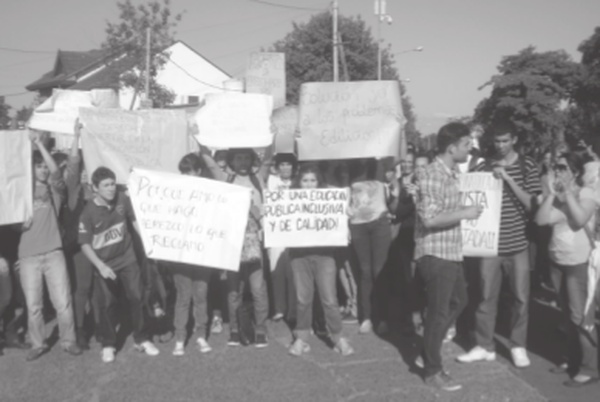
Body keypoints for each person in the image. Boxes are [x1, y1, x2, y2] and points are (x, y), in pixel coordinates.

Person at [457, 123, 541, 368]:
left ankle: (518, 345)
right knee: (485, 297)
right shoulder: (484, 166)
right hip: (489, 245)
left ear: (513, 139)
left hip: (518, 244)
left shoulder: (528, 165)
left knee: (521, 298)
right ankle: (485, 345)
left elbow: (532, 204)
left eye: (505, 140)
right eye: (497, 141)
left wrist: (508, 179)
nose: (501, 145)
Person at [415, 122, 483, 391]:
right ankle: (433, 369)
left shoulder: (451, 173)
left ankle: (427, 351)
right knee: (439, 312)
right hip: (436, 253)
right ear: (451, 147)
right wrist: (464, 213)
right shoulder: (432, 174)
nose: (471, 147)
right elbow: (429, 219)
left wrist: (463, 210)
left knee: (459, 302)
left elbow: (445, 209)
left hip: (451, 252)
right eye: (467, 143)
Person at [79, 167, 159, 363]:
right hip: (105, 265)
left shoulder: (123, 199)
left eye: (113, 183)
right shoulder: (87, 212)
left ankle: (142, 339)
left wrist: (148, 242)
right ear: (95, 188)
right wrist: (100, 266)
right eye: (106, 185)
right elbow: (84, 244)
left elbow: (134, 221)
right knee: (107, 305)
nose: (111, 188)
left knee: (137, 297)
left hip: (127, 258)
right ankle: (108, 344)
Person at [535, 152, 599, 387]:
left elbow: (581, 219)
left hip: (578, 263)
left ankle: (590, 367)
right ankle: (571, 359)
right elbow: (541, 220)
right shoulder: (558, 196)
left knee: (581, 316)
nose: (558, 172)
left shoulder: (587, 194)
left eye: (562, 168)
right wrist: (551, 194)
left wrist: (569, 194)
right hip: (557, 261)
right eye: (556, 168)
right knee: (566, 316)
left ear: (576, 172)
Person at [18, 131, 81, 361]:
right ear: (30, 169)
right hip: (27, 256)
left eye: (44, 166)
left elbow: (56, 172)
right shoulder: (20, 194)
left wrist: (38, 144)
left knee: (62, 302)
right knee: (33, 306)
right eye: (38, 167)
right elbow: (11, 223)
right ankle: (38, 343)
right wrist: (19, 227)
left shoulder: (54, 189)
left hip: (54, 253)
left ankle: (69, 341)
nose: (44, 170)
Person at [201, 146, 270, 348]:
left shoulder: (259, 178)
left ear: (251, 160)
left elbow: (268, 159)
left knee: (258, 290)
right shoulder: (226, 180)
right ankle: (234, 329)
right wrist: (200, 140)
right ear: (232, 161)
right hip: (232, 246)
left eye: (246, 158)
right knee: (233, 291)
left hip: (254, 243)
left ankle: (260, 330)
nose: (242, 162)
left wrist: (272, 137)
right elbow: (210, 163)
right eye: (238, 158)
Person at [288, 164, 354, 357]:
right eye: (305, 181)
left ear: (319, 182)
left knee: (330, 299)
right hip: (299, 256)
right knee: (303, 299)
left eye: (313, 180)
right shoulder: (288, 200)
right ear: (299, 183)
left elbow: (340, 215)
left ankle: (338, 337)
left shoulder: (329, 199)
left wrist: (345, 218)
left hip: (324, 255)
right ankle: (301, 338)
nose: (309, 185)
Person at [170, 154, 213, 356]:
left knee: (201, 296)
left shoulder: (212, 192)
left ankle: (201, 335)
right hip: (181, 254)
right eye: (183, 172)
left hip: (203, 253)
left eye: (190, 171)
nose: (186, 175)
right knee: (183, 296)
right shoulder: (175, 192)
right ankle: (180, 338)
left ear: (198, 171)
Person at [347, 158, 397, 334]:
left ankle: (382, 318)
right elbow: (344, 194)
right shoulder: (349, 165)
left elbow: (398, 151)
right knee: (365, 271)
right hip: (358, 224)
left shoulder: (380, 163)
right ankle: (366, 317)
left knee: (380, 270)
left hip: (379, 223)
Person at [61, 122, 95, 350]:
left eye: (87, 169)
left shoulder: (104, 188)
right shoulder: (75, 190)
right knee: (82, 288)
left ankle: (101, 325)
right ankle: (81, 329)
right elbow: (72, 166)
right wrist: (75, 137)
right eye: (82, 169)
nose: (83, 173)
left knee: (99, 289)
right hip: (81, 248)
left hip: (103, 245)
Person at [267, 153, 297, 322]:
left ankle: (293, 309)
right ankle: (279, 308)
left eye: (289, 164)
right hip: (276, 231)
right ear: (277, 167)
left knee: (293, 272)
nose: (286, 168)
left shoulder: (299, 181)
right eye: (282, 164)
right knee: (276, 271)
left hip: (295, 232)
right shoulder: (271, 181)